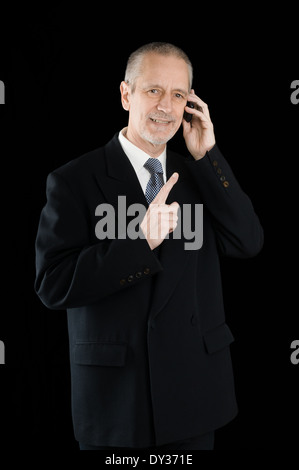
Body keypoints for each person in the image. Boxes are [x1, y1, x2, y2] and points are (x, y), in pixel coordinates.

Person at [34, 42, 263, 450]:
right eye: (153, 90)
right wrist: (139, 242)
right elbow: (53, 284)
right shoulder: (73, 180)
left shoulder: (201, 175)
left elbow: (248, 242)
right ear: (126, 94)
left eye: (179, 95)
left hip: (195, 393)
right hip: (117, 399)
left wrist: (208, 156)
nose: (166, 107)